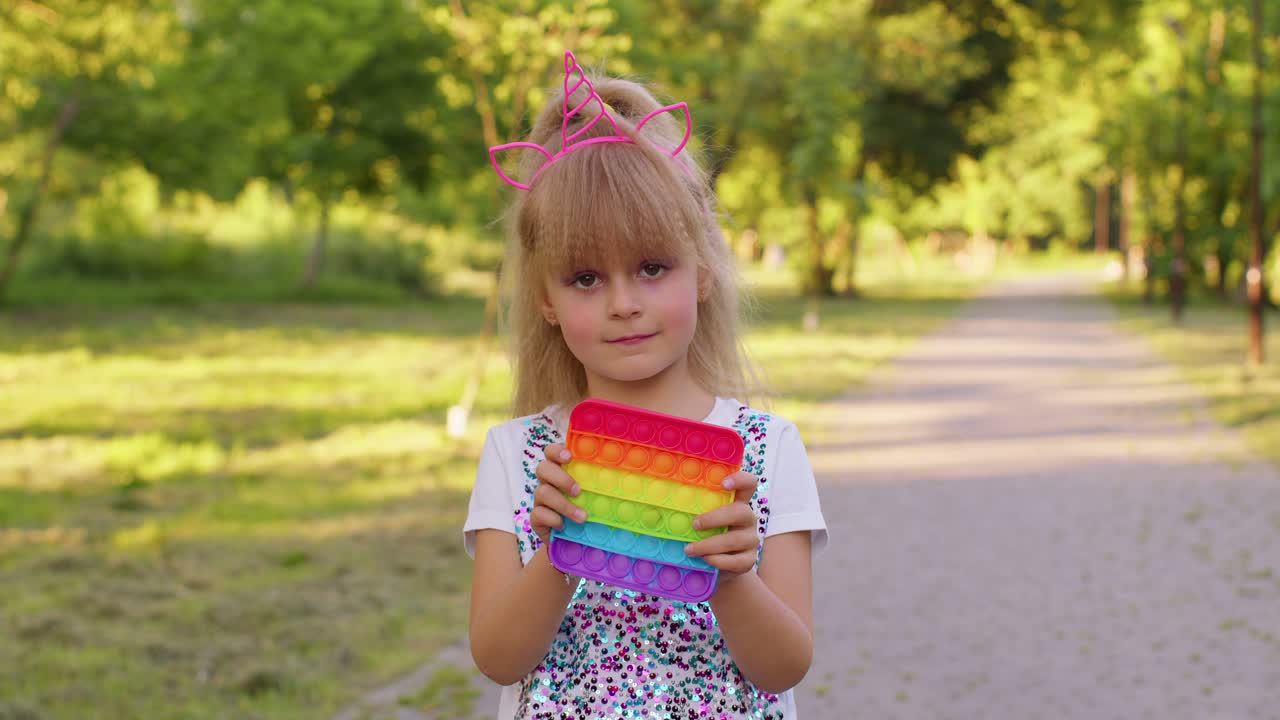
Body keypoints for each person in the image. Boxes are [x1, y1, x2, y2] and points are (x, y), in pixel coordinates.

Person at [463, 50, 828, 720]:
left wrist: (727, 577)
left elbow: (785, 666)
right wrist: (557, 552)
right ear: (545, 299)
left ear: (704, 271)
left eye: (653, 267)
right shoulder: (518, 457)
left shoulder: (766, 450)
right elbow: (498, 658)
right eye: (585, 278)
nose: (623, 303)